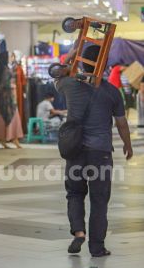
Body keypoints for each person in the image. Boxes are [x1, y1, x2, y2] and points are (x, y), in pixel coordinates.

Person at [57, 45, 133, 257]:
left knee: (74, 192)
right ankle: (97, 247)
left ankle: (79, 232)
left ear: (81, 62)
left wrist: (70, 57)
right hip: (100, 154)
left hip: (75, 152)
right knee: (99, 200)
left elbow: (56, 76)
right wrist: (127, 145)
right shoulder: (111, 92)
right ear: (104, 64)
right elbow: (122, 123)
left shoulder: (70, 85)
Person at [0, 52, 24, 148]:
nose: (10, 58)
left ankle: (3, 140)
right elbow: (6, 84)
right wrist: (12, 86)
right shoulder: (6, 70)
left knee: (2, 117)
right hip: (9, 98)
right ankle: (14, 139)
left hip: (1, 97)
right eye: (9, 57)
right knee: (13, 116)